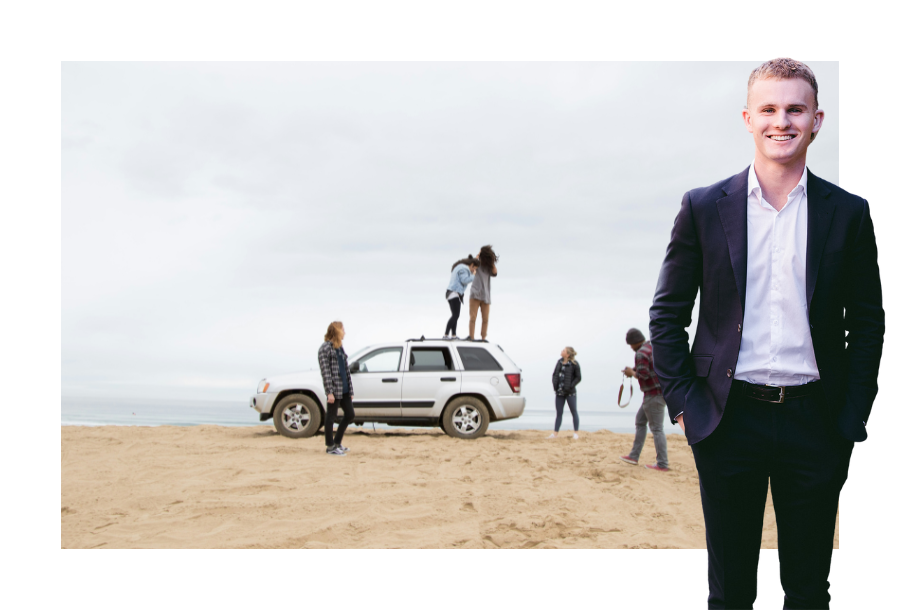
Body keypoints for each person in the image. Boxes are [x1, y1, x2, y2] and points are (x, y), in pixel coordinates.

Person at [649, 58, 884, 609]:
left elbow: (867, 322)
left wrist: (852, 414)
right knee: (731, 592)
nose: (783, 121)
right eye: (770, 109)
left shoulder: (849, 214)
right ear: (748, 118)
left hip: (817, 419)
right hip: (728, 418)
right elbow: (667, 315)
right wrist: (687, 405)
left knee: (807, 588)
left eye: (796, 109)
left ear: (817, 119)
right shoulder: (704, 207)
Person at [619, 328, 668, 471]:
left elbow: (643, 375)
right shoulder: (652, 347)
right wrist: (633, 370)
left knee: (657, 429)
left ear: (634, 342)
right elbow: (649, 368)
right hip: (659, 393)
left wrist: (631, 372)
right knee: (640, 421)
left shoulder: (640, 353)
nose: (631, 348)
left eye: (630, 345)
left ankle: (662, 464)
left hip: (653, 394)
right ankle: (634, 456)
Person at [317, 321, 356, 456]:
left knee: (350, 414)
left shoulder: (340, 348)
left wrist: (350, 391)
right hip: (334, 390)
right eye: (343, 329)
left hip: (344, 389)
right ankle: (330, 446)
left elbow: (346, 371)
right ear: (337, 331)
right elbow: (325, 372)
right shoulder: (325, 348)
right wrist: (329, 392)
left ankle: (337, 442)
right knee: (331, 417)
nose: (345, 332)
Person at [548, 347, 581, 439]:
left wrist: (570, 386)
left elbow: (578, 378)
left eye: (563, 350)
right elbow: (554, 374)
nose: (561, 351)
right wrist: (555, 386)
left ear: (568, 354)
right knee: (559, 413)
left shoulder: (574, 364)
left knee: (574, 411)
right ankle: (555, 434)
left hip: (570, 393)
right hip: (559, 392)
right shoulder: (559, 362)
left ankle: (576, 433)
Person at [444, 255, 480, 339]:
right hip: (454, 293)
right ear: (472, 265)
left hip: (451, 293)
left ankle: (453, 335)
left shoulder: (459, 267)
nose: (474, 270)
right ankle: (445, 335)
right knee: (455, 316)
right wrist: (473, 275)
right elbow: (464, 280)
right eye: (474, 269)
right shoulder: (464, 269)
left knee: (455, 315)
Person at [468, 245, 498, 341]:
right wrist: (479, 254)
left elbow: (495, 273)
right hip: (475, 294)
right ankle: (471, 338)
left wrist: (491, 261)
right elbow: (471, 266)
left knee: (485, 319)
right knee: (473, 317)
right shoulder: (477, 264)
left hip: (486, 296)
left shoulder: (489, 267)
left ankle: (483, 338)